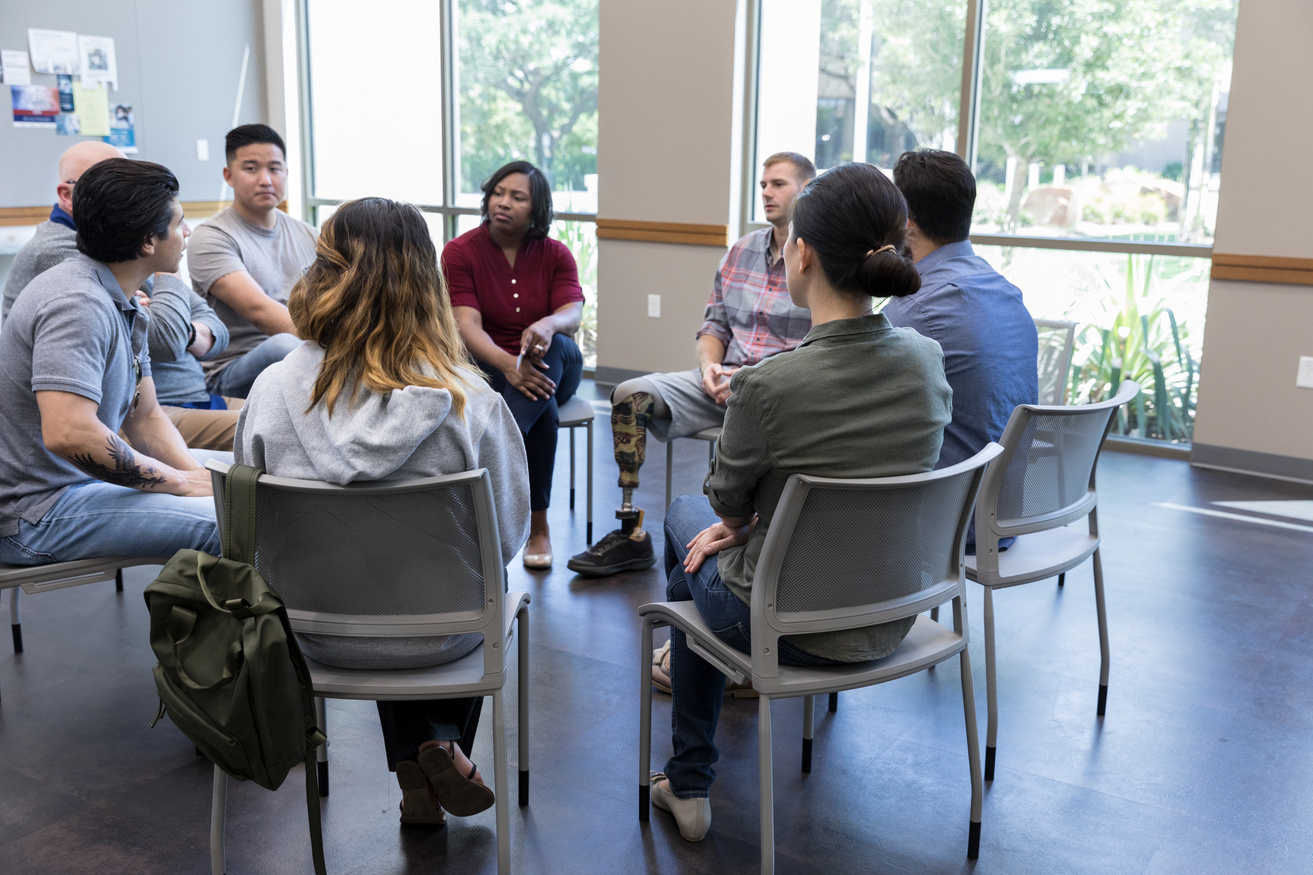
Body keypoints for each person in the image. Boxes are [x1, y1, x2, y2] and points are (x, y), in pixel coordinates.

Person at [648, 163, 952, 843]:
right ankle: (686, 769)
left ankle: (689, 778)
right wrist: (742, 523)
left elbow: (725, 504)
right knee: (701, 553)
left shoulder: (769, 385)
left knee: (682, 529)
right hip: (892, 612)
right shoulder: (926, 359)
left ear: (803, 252)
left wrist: (739, 525)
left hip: (786, 623)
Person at [234, 197, 530, 827]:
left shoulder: (268, 390)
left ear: (323, 275)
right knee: (447, 581)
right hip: (441, 633)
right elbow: (505, 538)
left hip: (312, 633)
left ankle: (417, 769)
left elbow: (246, 531)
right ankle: (438, 744)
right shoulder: (469, 400)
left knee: (368, 573)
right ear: (428, 282)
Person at [567, 152, 817, 578]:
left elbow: (816, 347)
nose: (767, 193)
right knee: (630, 397)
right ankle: (630, 531)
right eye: (763, 185)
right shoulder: (741, 251)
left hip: (777, 393)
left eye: (778, 184)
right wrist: (709, 369)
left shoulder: (816, 258)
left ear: (806, 190)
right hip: (720, 382)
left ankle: (753, 536)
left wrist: (747, 379)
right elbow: (713, 325)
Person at [0, 158, 220, 566]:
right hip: (35, 513)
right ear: (147, 243)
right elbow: (69, 433)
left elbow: (145, 418)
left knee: (240, 485)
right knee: (226, 527)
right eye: (179, 222)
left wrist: (199, 480)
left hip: (78, 487)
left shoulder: (119, 297)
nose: (187, 232)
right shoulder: (78, 303)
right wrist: (178, 484)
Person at [2, 142, 242, 451]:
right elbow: (165, 341)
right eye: (103, 181)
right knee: (276, 428)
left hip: (177, 398)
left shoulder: (134, 259)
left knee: (282, 414)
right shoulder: (76, 275)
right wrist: (168, 270)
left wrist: (188, 328)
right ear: (67, 194)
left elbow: (208, 325)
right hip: (138, 415)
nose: (186, 232)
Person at [443, 160, 583, 569]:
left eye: (517, 197)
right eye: (498, 192)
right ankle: (539, 528)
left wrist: (547, 323)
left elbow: (571, 312)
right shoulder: (460, 251)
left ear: (536, 208)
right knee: (544, 408)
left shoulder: (555, 253)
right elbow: (465, 326)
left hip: (555, 366)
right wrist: (508, 364)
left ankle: (498, 444)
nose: (503, 202)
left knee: (552, 348)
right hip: (491, 368)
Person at [886, 149, 1038, 473]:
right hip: (1007, 500)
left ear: (905, 219)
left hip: (945, 512)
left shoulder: (915, 309)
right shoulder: (1008, 293)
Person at [189, 124, 317, 399]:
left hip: (304, 353)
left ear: (286, 173)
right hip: (231, 372)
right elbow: (260, 312)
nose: (266, 180)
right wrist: (336, 348)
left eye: (274, 169)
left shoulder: (310, 234)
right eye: (251, 169)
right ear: (229, 176)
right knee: (284, 345)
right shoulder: (211, 237)